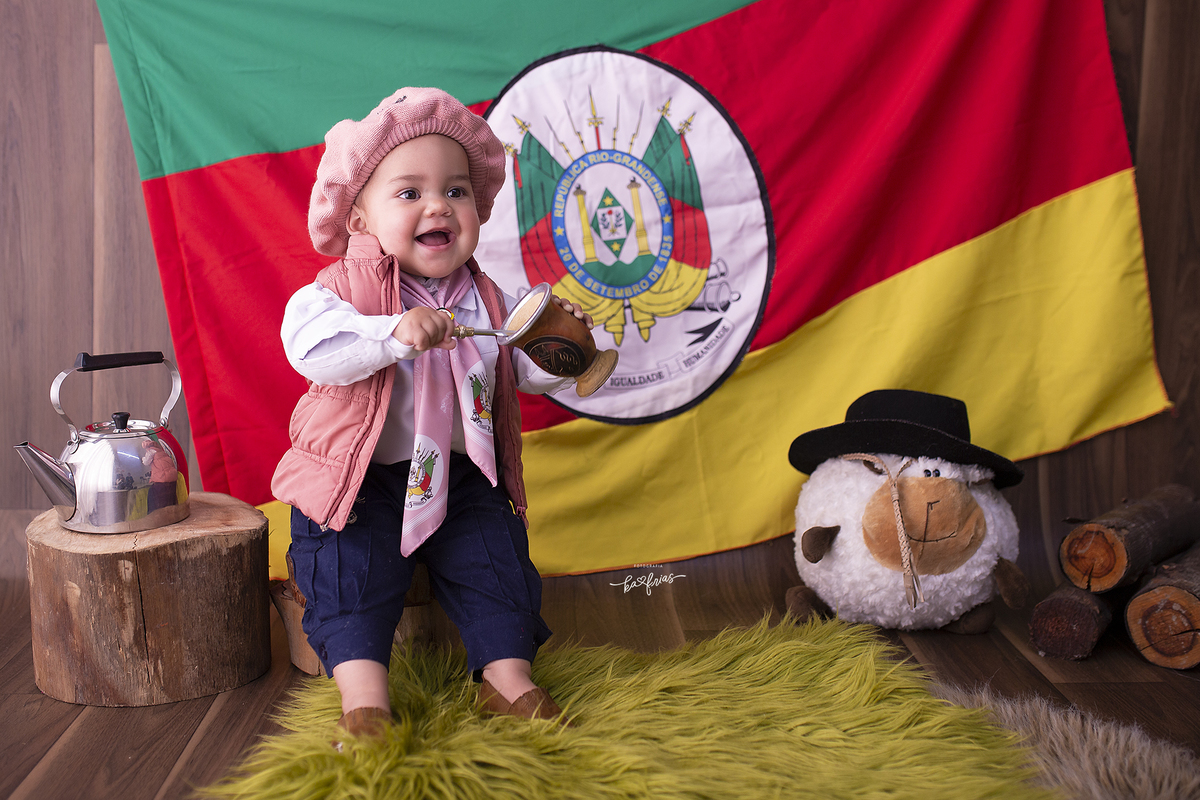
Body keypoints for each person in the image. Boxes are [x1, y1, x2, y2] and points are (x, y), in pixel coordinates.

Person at [271, 87, 588, 741]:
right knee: (349, 574)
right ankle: (365, 700)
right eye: (409, 193)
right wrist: (392, 334)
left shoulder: (486, 296)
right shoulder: (337, 292)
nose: (438, 205)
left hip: (460, 474)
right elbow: (312, 353)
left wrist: (557, 353)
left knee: (496, 564)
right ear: (359, 218)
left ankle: (508, 678)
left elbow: (509, 371)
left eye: (457, 191)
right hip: (359, 483)